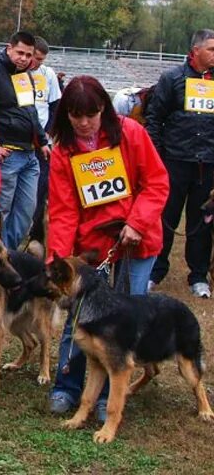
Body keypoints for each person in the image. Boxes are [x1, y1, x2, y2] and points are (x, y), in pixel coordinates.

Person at [47, 75, 168, 420]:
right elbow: (63, 210)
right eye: (76, 115)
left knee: (124, 318)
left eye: (92, 114)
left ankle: (107, 398)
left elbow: (156, 182)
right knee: (80, 316)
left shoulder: (131, 133)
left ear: (104, 109)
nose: (84, 123)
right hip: (92, 247)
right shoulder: (63, 151)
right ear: (66, 115)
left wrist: (137, 223)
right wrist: (60, 260)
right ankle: (66, 385)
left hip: (136, 240)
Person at [146, 29, 214, 298]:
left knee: (202, 222)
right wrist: (156, 158)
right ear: (195, 51)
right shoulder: (172, 78)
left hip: (208, 164)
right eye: (211, 49)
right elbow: (154, 119)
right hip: (173, 162)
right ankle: (154, 271)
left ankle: (198, 276)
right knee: (165, 219)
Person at [0, 31, 49, 251]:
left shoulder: (25, 76)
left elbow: (31, 111)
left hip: (29, 154)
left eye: (29, 55)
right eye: (20, 53)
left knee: (26, 212)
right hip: (6, 153)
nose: (24, 59)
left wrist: (42, 140)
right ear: (8, 48)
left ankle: (5, 256)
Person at [29, 36, 62, 243]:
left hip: (42, 144)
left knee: (41, 190)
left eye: (41, 60)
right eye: (36, 58)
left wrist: (47, 134)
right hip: (20, 142)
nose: (37, 63)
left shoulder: (48, 74)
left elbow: (55, 106)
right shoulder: (16, 73)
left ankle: (36, 233)